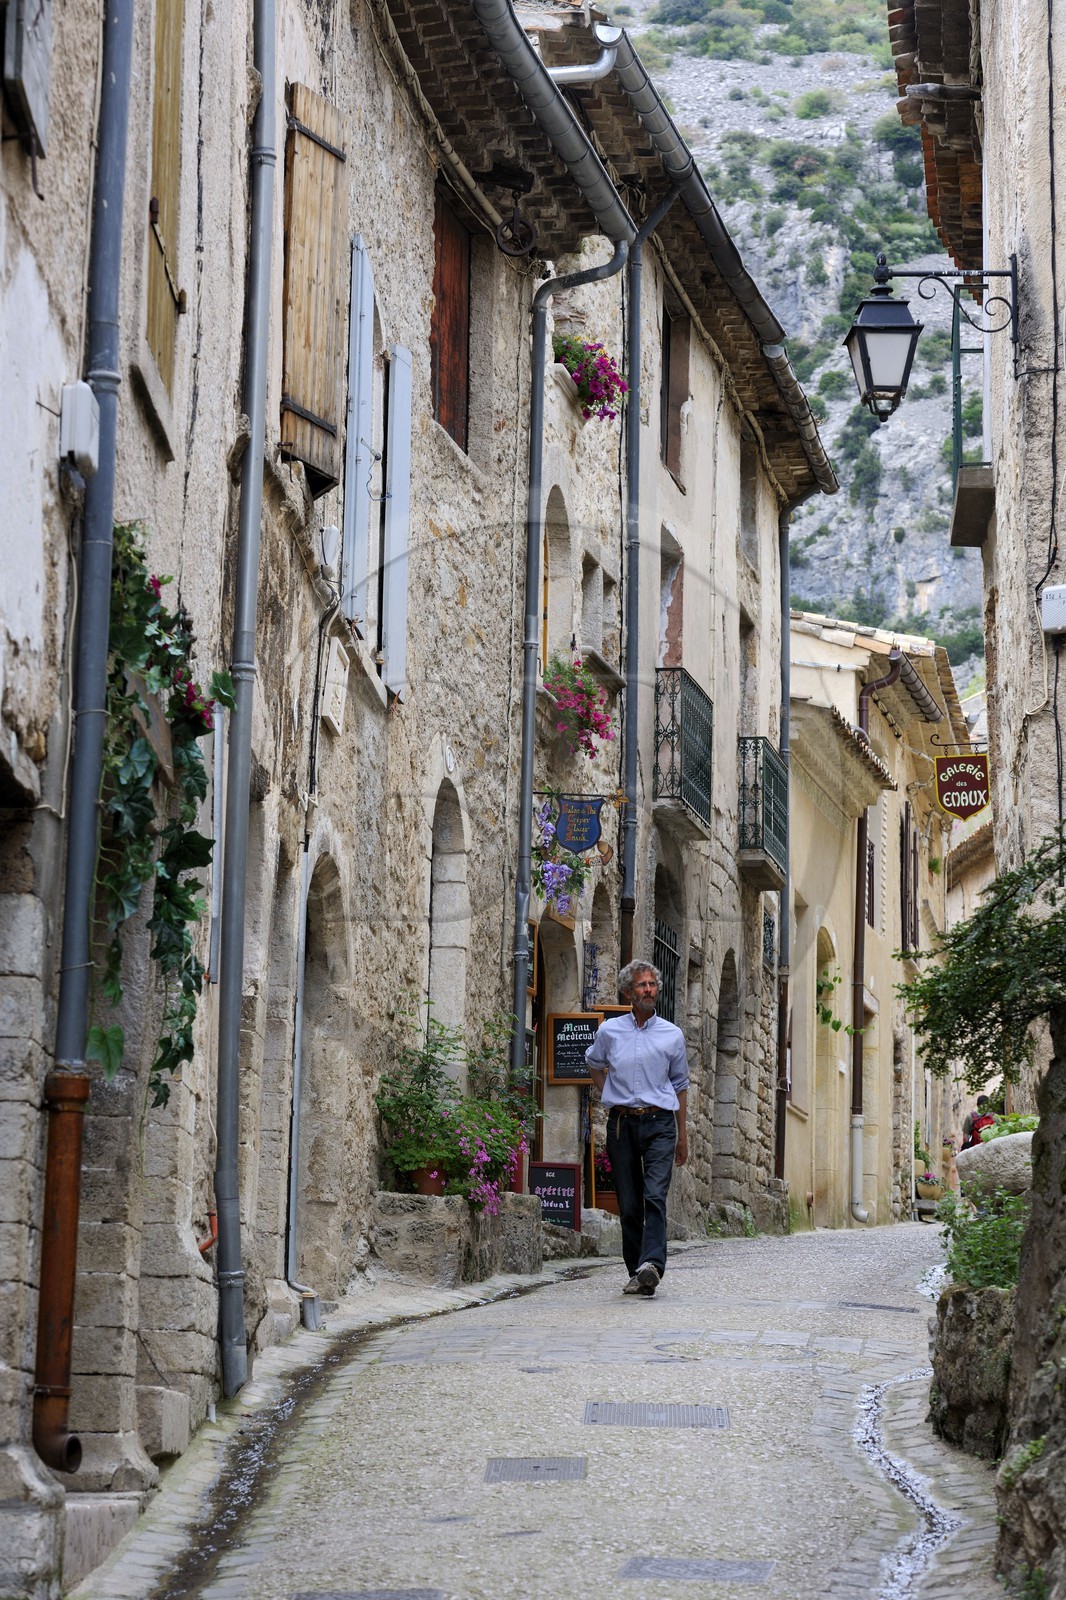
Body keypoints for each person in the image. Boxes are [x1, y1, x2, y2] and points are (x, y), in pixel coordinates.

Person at [585, 959, 689, 1298]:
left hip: (660, 1122)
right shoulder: (609, 1031)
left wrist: (682, 1135)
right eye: (642, 985)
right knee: (629, 1205)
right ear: (628, 992)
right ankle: (638, 1272)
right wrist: (609, 1094)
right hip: (622, 1125)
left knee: (654, 1196)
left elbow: (680, 1085)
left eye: (652, 985)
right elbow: (594, 1063)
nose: (648, 990)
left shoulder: (672, 1035)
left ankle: (653, 1264)